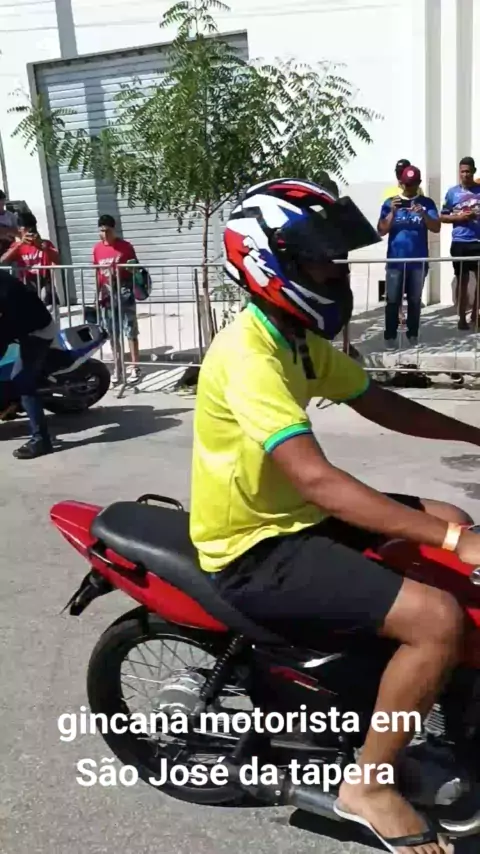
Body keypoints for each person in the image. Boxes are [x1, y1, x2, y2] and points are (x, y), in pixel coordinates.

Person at [189, 177, 480, 853]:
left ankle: (426, 693)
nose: (337, 271)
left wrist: (473, 436)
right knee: (435, 616)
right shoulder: (248, 354)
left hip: (294, 518)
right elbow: (319, 481)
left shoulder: (295, 339)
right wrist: (450, 539)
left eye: (337, 258)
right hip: (253, 547)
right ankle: (369, 786)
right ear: (271, 262)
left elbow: (377, 401)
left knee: (450, 512)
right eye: (323, 259)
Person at [378, 166, 440, 348]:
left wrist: (423, 214)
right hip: (395, 261)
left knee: (414, 300)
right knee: (392, 300)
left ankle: (413, 334)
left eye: (412, 184)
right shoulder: (390, 202)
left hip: (418, 262)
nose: (409, 187)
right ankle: (390, 336)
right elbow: (381, 230)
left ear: (418, 183)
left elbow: (436, 227)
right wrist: (392, 212)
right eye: (406, 184)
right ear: (401, 183)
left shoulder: (426, 203)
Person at [0, 268, 56, 458]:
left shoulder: (5, 290)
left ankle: (41, 440)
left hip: (38, 332)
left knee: (22, 380)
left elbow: (6, 329)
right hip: (21, 328)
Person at [92, 214, 142, 384]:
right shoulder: (97, 249)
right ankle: (118, 366)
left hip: (124, 291)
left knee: (130, 330)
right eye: (101, 231)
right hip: (107, 294)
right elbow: (97, 273)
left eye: (107, 230)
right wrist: (97, 296)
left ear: (114, 230)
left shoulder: (125, 247)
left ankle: (135, 366)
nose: (104, 234)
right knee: (112, 332)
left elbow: (136, 269)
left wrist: (125, 269)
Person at [441, 157, 480, 330]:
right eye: (462, 171)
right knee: (462, 282)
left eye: (468, 171)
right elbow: (442, 216)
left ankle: (475, 315)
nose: (465, 175)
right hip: (460, 242)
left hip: (478, 241)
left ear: (474, 171)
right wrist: (460, 217)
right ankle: (462, 317)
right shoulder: (452, 193)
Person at [0, 212, 60, 307]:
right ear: (20, 230)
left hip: (45, 285)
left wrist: (43, 247)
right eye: (26, 230)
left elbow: (57, 260)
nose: (29, 233)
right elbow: (3, 262)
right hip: (26, 285)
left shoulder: (45, 243)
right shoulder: (17, 246)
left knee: (49, 312)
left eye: (32, 229)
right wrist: (20, 244)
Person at [0, 191, 19, 257]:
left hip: (9, 249)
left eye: (2, 200)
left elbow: (18, 232)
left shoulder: (10, 216)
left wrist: (5, 231)